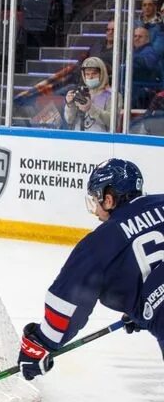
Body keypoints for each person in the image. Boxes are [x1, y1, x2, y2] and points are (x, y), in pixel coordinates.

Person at [17, 159, 164, 381]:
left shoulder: (99, 243)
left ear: (108, 199)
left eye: (95, 200)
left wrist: (39, 344)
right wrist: (146, 307)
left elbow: (67, 303)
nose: (95, 210)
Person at [63, 56, 116, 132]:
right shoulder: (81, 92)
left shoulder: (112, 95)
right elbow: (69, 120)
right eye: (87, 74)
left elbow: (113, 122)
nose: (90, 77)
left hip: (101, 141)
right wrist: (70, 104)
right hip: (78, 139)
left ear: (102, 74)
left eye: (94, 74)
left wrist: (91, 108)